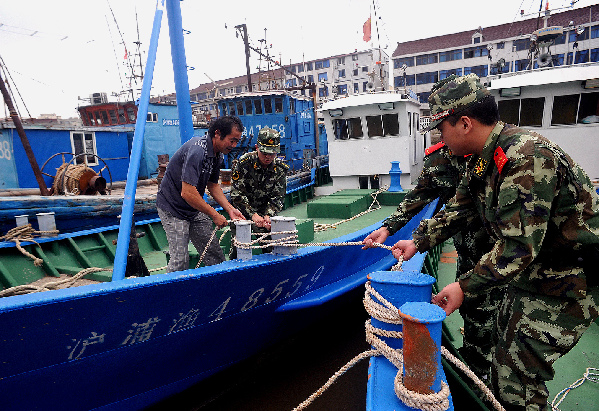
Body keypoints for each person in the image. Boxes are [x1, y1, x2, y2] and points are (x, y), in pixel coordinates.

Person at [391, 73, 599, 410]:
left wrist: (463, 286)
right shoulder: (483, 159)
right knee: (501, 353)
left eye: (441, 129)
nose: (440, 138)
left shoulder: (525, 157)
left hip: (571, 279)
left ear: (465, 123)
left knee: (518, 378)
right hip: (535, 272)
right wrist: (418, 242)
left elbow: (519, 247)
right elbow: (459, 207)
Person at [362, 129, 497, 380]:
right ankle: (476, 370)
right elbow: (421, 198)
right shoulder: (439, 160)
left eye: (444, 126)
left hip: (503, 251)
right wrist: (387, 228)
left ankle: (485, 370)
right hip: (467, 248)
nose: (440, 135)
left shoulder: (492, 156)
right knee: (474, 310)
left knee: (500, 314)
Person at [157, 116, 246, 272]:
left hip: (192, 209)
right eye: (232, 140)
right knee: (180, 260)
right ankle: (173, 294)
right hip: (173, 209)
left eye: (237, 141)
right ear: (217, 133)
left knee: (214, 253)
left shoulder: (218, 155)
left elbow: (212, 185)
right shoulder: (198, 150)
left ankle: (220, 287)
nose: (234, 145)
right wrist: (214, 214)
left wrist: (230, 209)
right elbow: (187, 193)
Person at [229, 127, 288, 257]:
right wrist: (252, 215)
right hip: (242, 213)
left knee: (272, 247)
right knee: (238, 248)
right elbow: (236, 194)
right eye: (264, 153)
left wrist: (268, 215)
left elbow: (278, 197)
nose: (268, 157)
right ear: (257, 147)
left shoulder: (280, 169)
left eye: (272, 153)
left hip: (264, 214)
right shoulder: (244, 163)